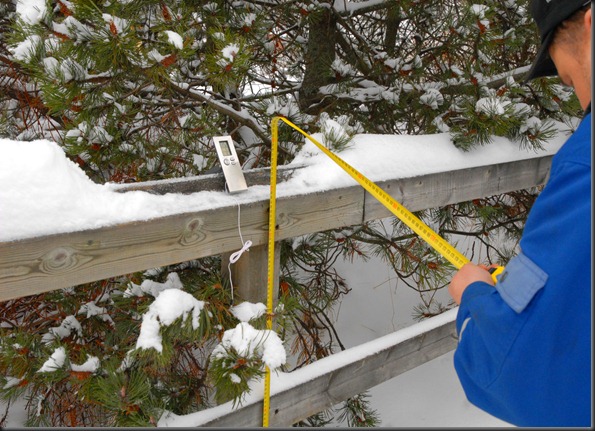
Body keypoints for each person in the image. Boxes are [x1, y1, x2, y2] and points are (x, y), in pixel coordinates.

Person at [447, 0, 591, 427]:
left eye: (571, 78)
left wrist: (473, 294)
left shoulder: (586, 163)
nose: (583, 105)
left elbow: (518, 371)